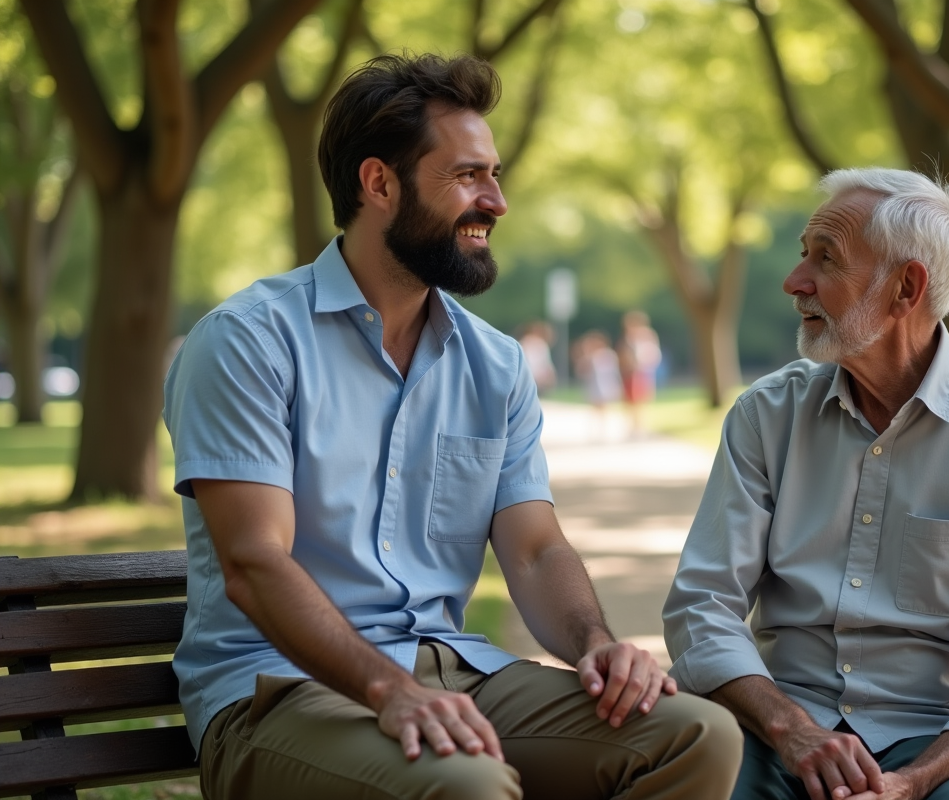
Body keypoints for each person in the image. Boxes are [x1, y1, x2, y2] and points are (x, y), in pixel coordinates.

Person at [163, 53, 741, 800]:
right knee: (464, 785)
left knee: (695, 736)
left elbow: (533, 551)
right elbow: (253, 563)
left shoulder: (494, 365)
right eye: (468, 175)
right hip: (275, 692)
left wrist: (595, 644)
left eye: (495, 175)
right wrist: (387, 690)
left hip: (457, 673)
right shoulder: (249, 340)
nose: (496, 201)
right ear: (379, 184)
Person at [663, 168, 949, 800]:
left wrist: (912, 783)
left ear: (906, 287)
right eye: (804, 253)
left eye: (825, 259)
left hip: (935, 737)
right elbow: (701, 607)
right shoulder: (764, 415)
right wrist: (791, 730)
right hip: (773, 725)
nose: (794, 281)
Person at [617, 310, 662, 435]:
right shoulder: (626, 338)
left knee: (641, 398)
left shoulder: (647, 336)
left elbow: (653, 354)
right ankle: (632, 424)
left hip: (642, 371)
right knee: (629, 399)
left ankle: (640, 425)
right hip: (628, 372)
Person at [517, 320, 557, 395]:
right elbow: (545, 364)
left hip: (524, 376)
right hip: (537, 377)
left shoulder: (521, 342)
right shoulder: (541, 344)